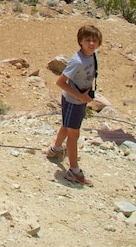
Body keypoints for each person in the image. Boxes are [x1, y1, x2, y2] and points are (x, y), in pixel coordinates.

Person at [46, 24, 101, 185]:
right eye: (88, 40)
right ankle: (74, 169)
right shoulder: (77, 61)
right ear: (81, 41)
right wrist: (80, 96)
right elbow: (60, 82)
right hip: (73, 101)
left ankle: (55, 149)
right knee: (73, 134)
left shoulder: (93, 55)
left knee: (67, 125)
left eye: (94, 40)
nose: (91, 43)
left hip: (80, 99)